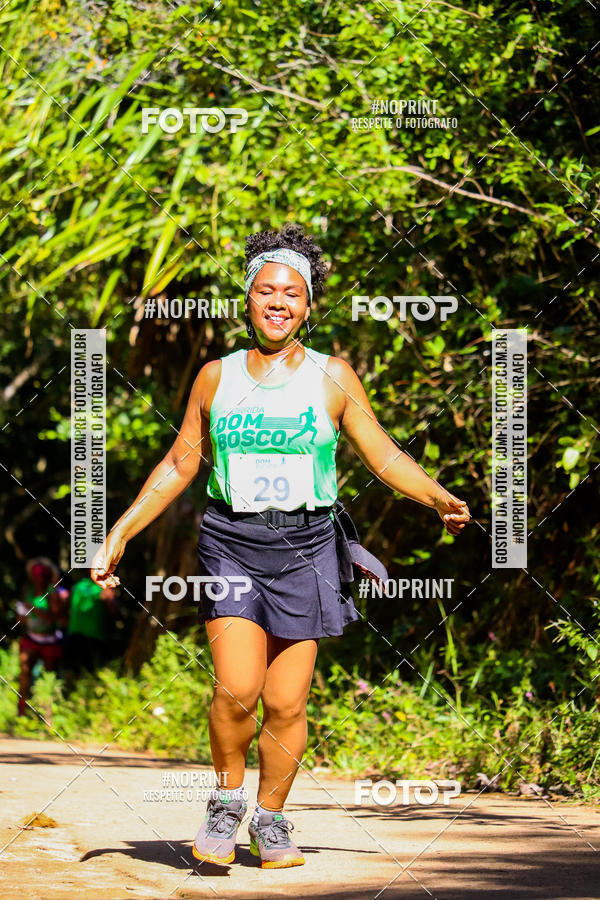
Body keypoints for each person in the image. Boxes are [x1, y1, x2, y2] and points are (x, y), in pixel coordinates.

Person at [92, 223, 470, 870]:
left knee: (288, 701)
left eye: (291, 294)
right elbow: (180, 465)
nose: (277, 302)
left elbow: (381, 455)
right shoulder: (216, 377)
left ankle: (271, 820)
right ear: (247, 298)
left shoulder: (333, 375)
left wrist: (437, 497)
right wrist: (119, 531)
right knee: (237, 690)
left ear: (308, 305)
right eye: (265, 290)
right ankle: (225, 802)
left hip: (309, 544)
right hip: (233, 540)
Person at [17, 557, 68, 716]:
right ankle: (22, 711)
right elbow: (21, 618)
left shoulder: (53, 593)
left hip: (50, 640)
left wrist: (34, 609)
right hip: (31, 638)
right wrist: (22, 616)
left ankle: (47, 713)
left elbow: (56, 618)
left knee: (49, 675)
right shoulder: (28, 590)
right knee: (25, 671)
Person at [64, 572, 117, 683]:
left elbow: (66, 607)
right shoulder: (104, 588)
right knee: (94, 672)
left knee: (75, 671)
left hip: (74, 634)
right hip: (95, 637)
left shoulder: (77, 586)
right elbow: (114, 612)